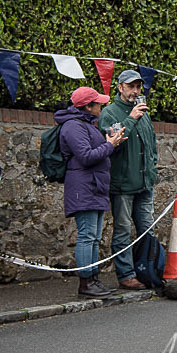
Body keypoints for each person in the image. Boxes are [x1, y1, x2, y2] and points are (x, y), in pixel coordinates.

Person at [57, 87, 127, 296]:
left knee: (94, 237)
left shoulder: (87, 125)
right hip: (84, 187)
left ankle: (93, 280)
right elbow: (86, 156)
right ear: (88, 107)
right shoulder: (73, 126)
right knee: (87, 236)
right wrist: (109, 145)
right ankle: (86, 282)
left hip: (94, 186)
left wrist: (112, 142)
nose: (101, 107)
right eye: (98, 104)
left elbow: (96, 152)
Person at [98, 69, 158, 290]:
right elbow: (115, 141)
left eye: (138, 86)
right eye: (131, 86)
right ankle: (126, 274)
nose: (135, 91)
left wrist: (152, 165)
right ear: (120, 87)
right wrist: (131, 118)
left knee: (147, 229)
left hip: (145, 182)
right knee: (122, 230)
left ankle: (147, 270)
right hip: (123, 184)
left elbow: (151, 142)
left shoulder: (144, 113)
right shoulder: (109, 113)